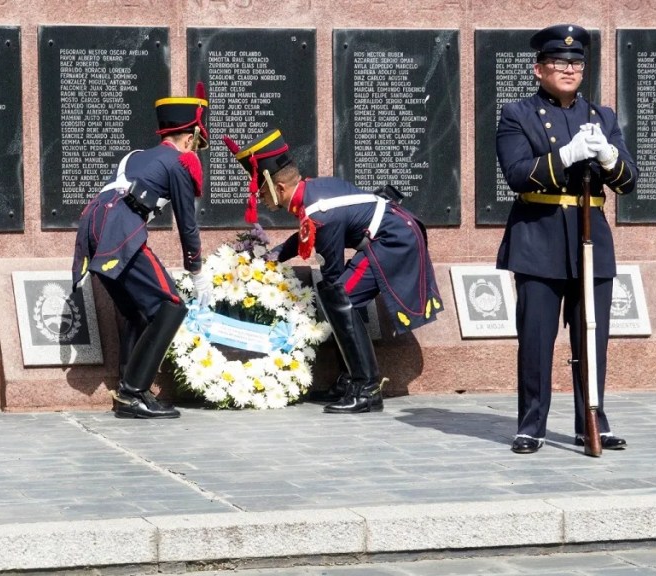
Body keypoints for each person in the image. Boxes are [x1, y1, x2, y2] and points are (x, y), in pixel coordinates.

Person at [224, 128, 444, 414]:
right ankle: (350, 379)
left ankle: (366, 389)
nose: (260, 198)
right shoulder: (312, 193)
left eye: (261, 191)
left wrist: (327, 298)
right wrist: (276, 254)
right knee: (338, 299)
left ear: (278, 189)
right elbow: (307, 232)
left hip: (394, 240)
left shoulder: (319, 212)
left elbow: (332, 272)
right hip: (388, 234)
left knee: (341, 298)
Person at [495, 24, 638, 454]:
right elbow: (517, 174)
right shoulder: (516, 114)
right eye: (559, 62)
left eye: (576, 63)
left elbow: (628, 181)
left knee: (592, 336)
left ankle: (591, 419)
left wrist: (609, 156)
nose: (569, 68)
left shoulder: (603, 117)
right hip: (538, 236)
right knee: (536, 339)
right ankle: (532, 424)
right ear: (538, 69)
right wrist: (566, 156)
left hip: (590, 237)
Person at [72, 83, 213, 419]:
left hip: (94, 232)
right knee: (170, 304)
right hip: (121, 232)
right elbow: (187, 224)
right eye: (196, 140)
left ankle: (131, 390)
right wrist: (197, 273)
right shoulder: (179, 161)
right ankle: (132, 393)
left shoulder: (137, 156)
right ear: (190, 137)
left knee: (139, 311)